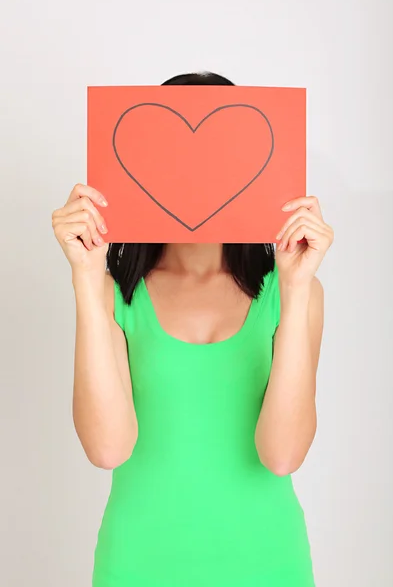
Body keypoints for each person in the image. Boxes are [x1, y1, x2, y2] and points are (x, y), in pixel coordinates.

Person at [52, 72, 334, 587]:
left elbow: (283, 454)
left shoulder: (295, 294)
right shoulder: (113, 295)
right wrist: (87, 277)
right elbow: (107, 449)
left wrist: (293, 292)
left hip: (267, 563)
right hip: (137, 564)